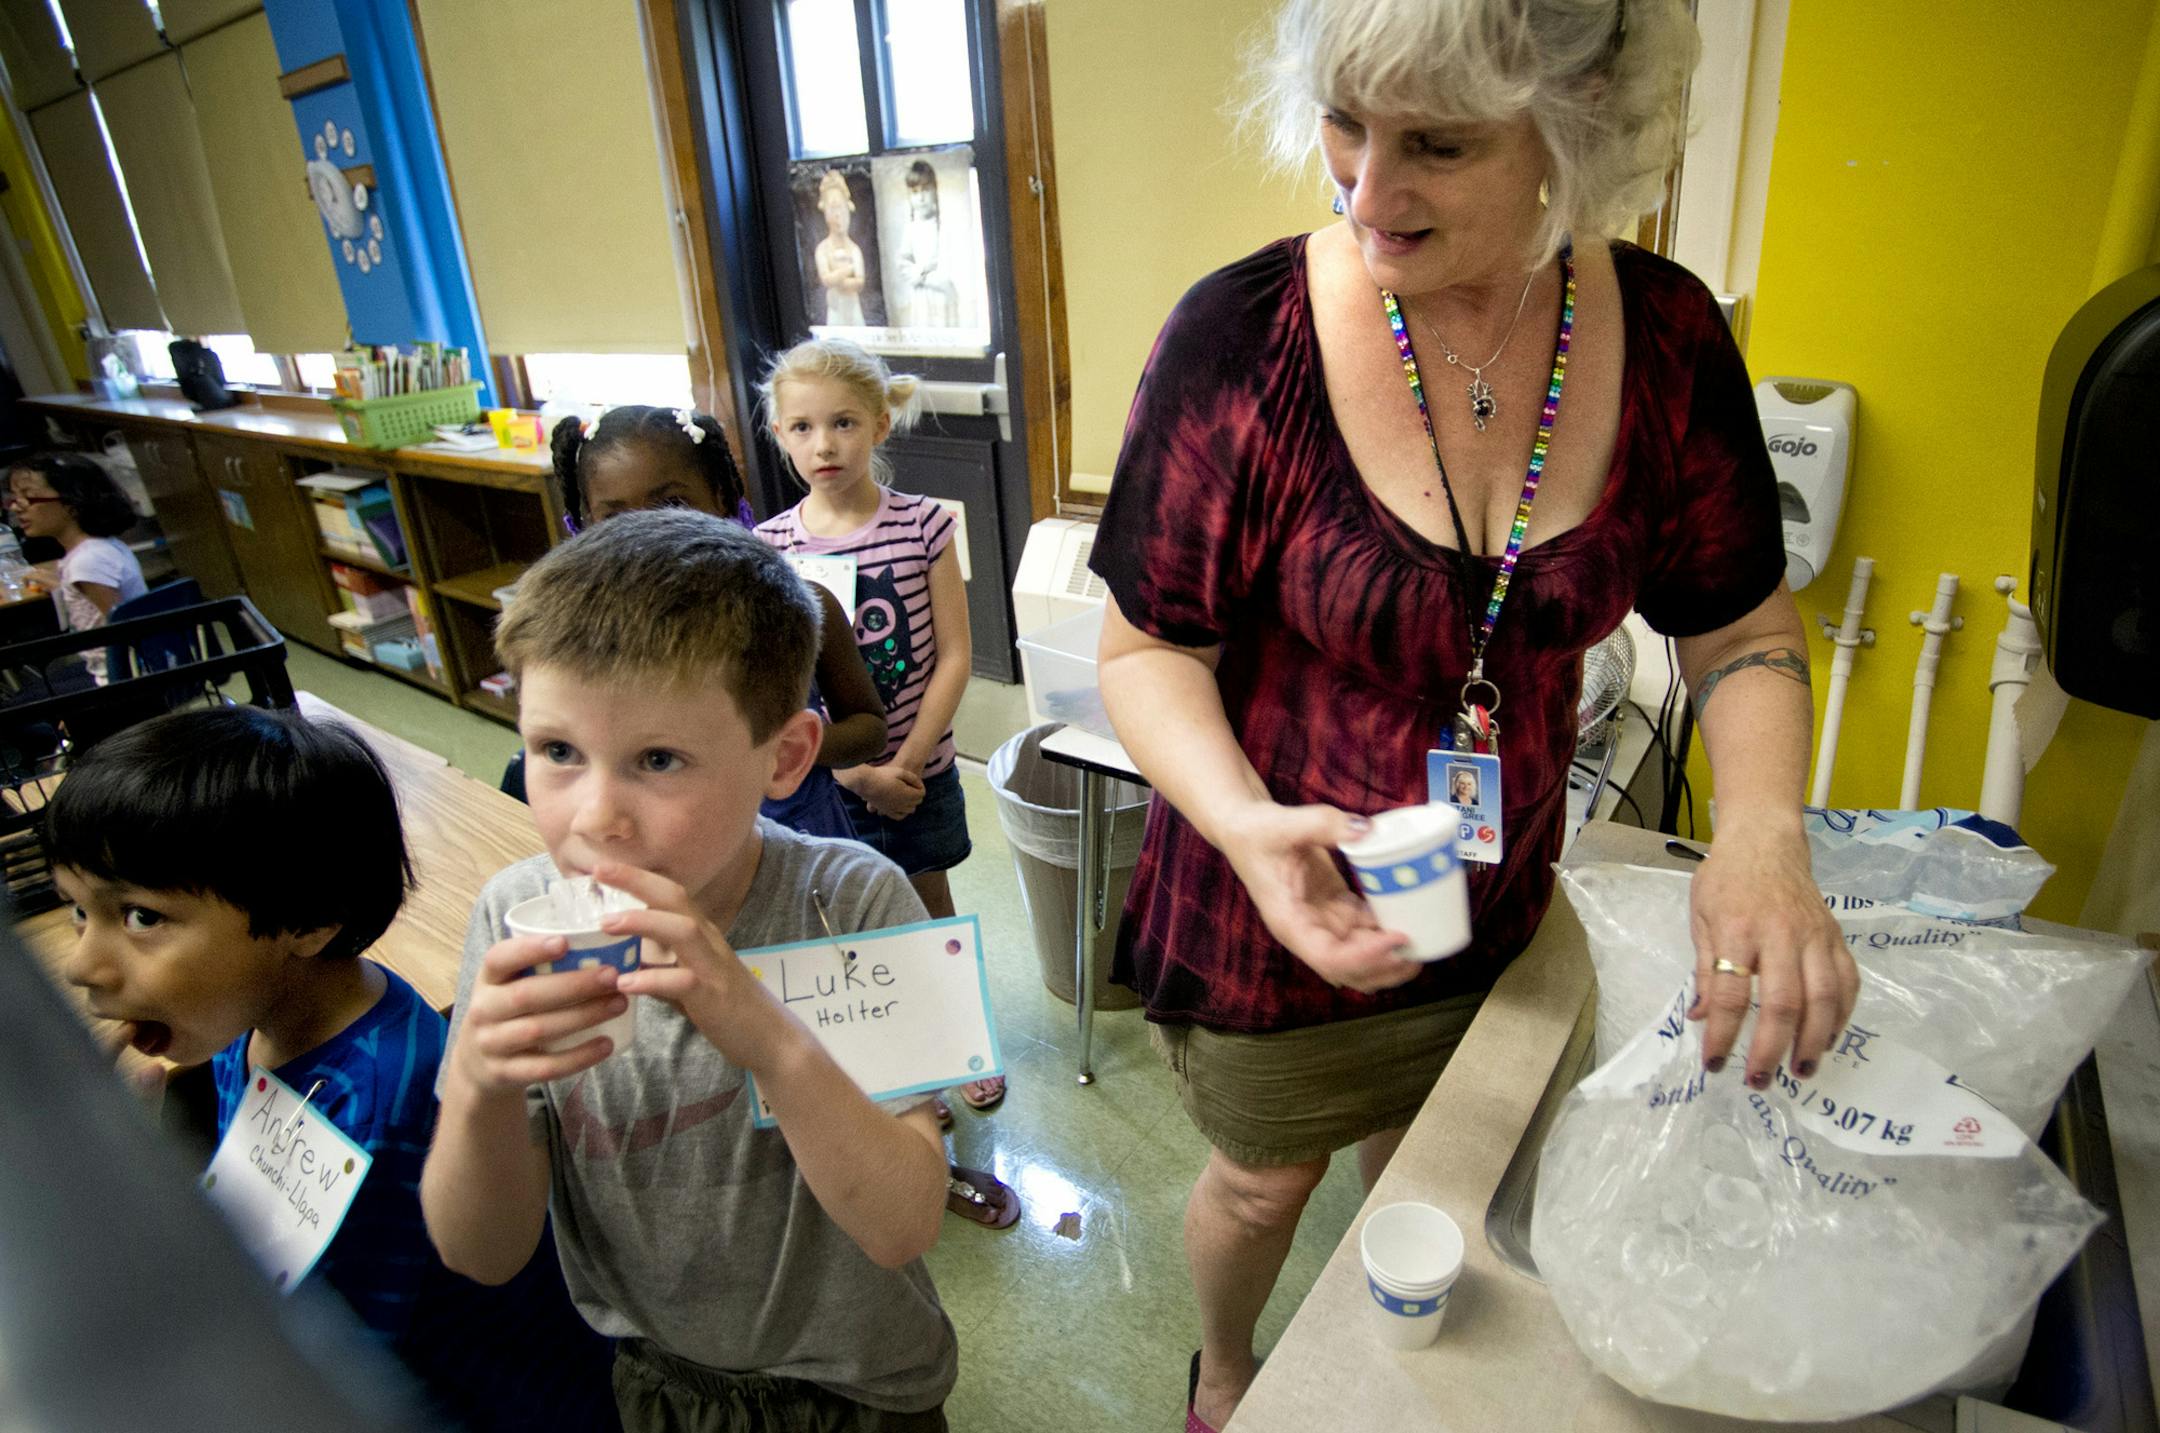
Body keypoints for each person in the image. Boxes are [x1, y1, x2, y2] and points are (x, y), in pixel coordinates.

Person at [1087, 2, 1858, 1427]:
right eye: (1343, 126)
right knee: (1262, 1179)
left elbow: (1741, 627)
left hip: (1492, 896)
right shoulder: (1238, 341)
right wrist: (1251, 824)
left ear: (1575, 123)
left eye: (1436, 143)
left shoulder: (1669, 336)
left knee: (1439, 1156)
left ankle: (1391, 1367)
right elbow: (1142, 650)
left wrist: (1763, 834)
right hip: (1283, 891)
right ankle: (1228, 1368)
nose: (1366, 193)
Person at [420, 511, 964, 1431]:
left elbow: (906, 1222)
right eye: (556, 751)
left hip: (863, 1389)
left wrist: (771, 1042)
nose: (596, 817)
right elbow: (481, 1250)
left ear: (785, 756)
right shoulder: (515, 916)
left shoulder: (851, 901)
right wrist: (479, 1085)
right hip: (658, 1383)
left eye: (659, 759)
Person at [47, 705, 618, 1431]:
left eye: (141, 917)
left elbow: (295, 1366)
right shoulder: (255, 1018)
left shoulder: (376, 1107)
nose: (81, 965)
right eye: (77, 911)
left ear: (311, 918)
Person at [752, 339, 1001, 1114]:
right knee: (840, 920)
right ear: (780, 435)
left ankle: (964, 1041)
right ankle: (888, 1052)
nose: (823, 444)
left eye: (843, 423)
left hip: (918, 771)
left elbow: (956, 654)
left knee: (927, 908)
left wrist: (909, 764)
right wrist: (847, 770)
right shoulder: (771, 545)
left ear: (880, 425)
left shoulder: (925, 524)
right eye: (801, 428)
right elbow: (785, 691)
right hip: (827, 780)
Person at [545, 402, 887, 840]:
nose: (649, 531)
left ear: (722, 498)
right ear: (584, 525)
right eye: (615, 517)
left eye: (672, 502)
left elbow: (869, 728)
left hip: (804, 842)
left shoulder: (802, 606)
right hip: (665, 848)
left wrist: (776, 749)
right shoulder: (589, 644)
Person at [7, 452, 146, 682]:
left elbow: (125, 631)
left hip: (119, 681)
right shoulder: (101, 547)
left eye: (29, 498)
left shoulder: (86, 563)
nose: (16, 507)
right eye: (14, 497)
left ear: (72, 505)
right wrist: (61, 585)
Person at [897, 161, 959, 329]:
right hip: (921, 296)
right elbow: (904, 265)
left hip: (941, 292)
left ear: (934, 191)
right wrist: (921, 272)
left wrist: (932, 277)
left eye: (925, 190)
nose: (921, 197)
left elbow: (948, 264)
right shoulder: (911, 229)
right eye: (915, 192)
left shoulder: (944, 226)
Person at [815, 170, 868, 327]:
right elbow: (826, 279)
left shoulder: (854, 249)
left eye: (841, 208)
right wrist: (846, 271)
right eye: (833, 208)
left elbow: (859, 282)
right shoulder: (823, 249)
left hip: (852, 308)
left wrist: (838, 280)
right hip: (836, 307)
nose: (838, 215)